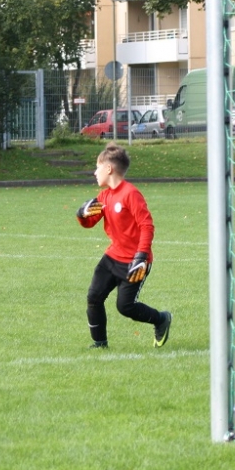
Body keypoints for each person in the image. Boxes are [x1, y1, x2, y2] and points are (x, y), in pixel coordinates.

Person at [76, 142, 172, 349]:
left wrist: (141, 256)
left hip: (134, 262)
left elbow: (147, 225)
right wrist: (81, 215)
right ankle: (99, 344)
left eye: (97, 167)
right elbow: (89, 223)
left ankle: (161, 319)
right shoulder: (104, 196)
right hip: (112, 258)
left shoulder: (130, 193)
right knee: (94, 297)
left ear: (108, 168)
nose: (95, 172)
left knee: (125, 307)